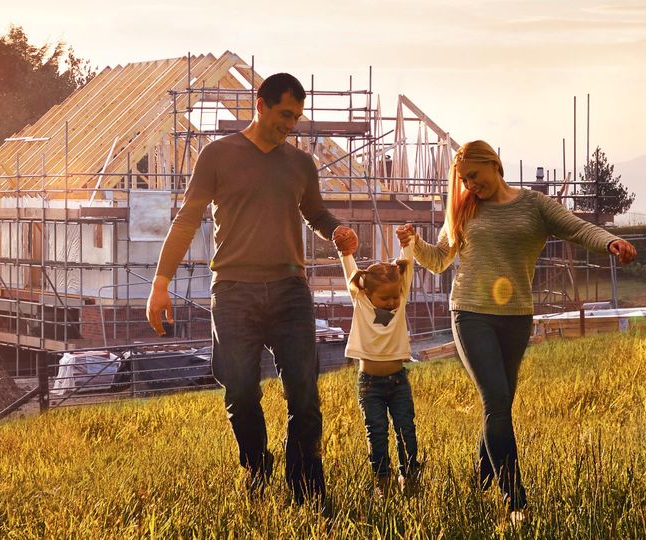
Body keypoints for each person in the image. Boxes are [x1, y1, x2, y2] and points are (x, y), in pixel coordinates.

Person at [145, 72, 357, 511]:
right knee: (240, 390)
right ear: (259, 105)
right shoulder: (218, 155)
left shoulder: (300, 164)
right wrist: (160, 284)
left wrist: (337, 230)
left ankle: (306, 491)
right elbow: (187, 219)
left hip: (289, 290)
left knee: (303, 391)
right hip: (234, 289)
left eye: (297, 117)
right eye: (284, 114)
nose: (291, 125)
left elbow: (315, 212)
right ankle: (257, 468)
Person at [396, 140, 637, 522]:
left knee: (502, 402)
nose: (470, 186)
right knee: (495, 399)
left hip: (516, 317)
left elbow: (576, 229)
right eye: (464, 180)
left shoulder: (534, 205)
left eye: (474, 176)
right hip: (470, 313)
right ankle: (516, 503)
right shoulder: (464, 208)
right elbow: (440, 260)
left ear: (494, 164)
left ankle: (479, 484)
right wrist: (414, 243)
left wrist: (611, 242)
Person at [335, 229, 422, 497]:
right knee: (377, 434)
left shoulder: (400, 300)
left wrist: (408, 243)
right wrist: (345, 252)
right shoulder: (360, 302)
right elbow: (348, 265)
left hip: (398, 381)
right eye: (385, 298)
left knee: (406, 429)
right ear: (367, 294)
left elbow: (406, 264)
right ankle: (382, 483)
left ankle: (409, 479)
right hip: (369, 385)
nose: (393, 302)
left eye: (396, 296)